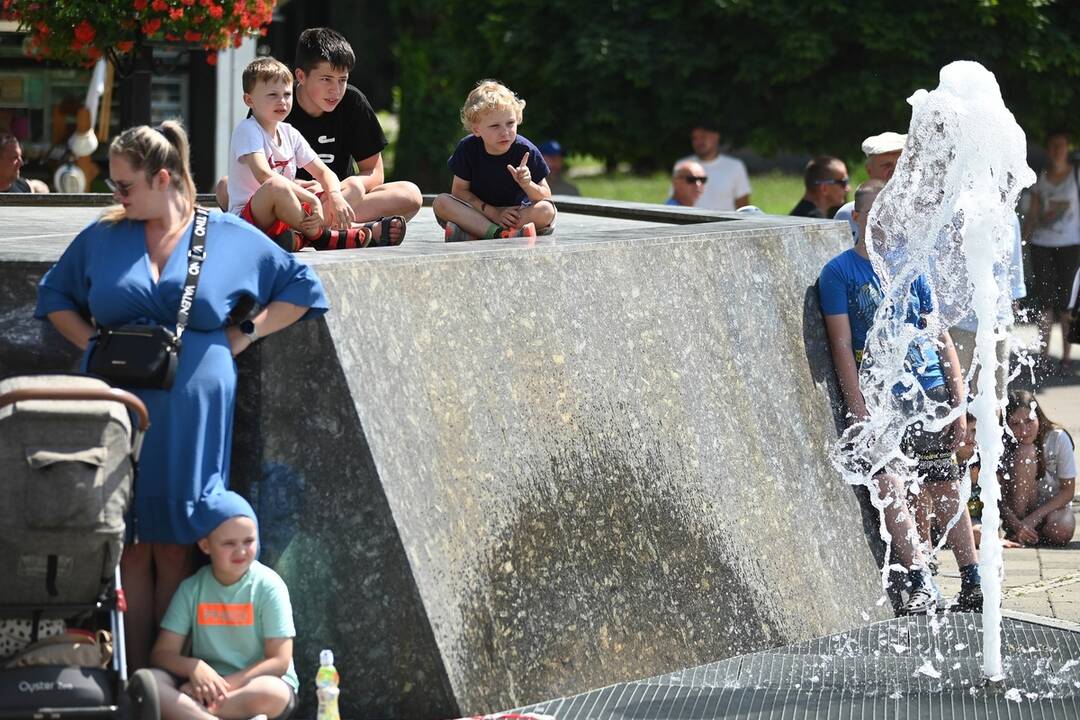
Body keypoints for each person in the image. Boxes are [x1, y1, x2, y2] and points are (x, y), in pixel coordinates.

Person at [35, 121, 328, 670]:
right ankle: (134, 676)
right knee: (127, 544)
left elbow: (302, 287)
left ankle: (166, 673)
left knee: (175, 543)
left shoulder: (227, 234)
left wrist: (244, 333)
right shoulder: (104, 234)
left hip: (193, 408)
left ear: (163, 178)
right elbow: (53, 296)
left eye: (125, 185)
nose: (116, 195)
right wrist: (95, 346)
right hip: (118, 406)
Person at [820, 179, 982, 614]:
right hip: (881, 400)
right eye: (874, 213)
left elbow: (941, 337)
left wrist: (959, 402)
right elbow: (841, 344)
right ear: (857, 218)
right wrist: (858, 409)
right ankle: (920, 580)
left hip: (927, 392)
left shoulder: (912, 267)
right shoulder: (839, 273)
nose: (883, 221)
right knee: (888, 481)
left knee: (944, 481)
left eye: (889, 212)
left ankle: (973, 579)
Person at [217, 28, 418, 242]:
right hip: (289, 196)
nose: (336, 90)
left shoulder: (353, 102)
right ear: (301, 76)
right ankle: (341, 230)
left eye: (342, 79)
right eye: (326, 79)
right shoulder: (272, 105)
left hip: (336, 197)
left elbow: (374, 173)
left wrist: (332, 190)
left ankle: (305, 230)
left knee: (408, 194)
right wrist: (301, 188)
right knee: (225, 186)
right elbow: (262, 177)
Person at [146, 491, 298, 720]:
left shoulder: (269, 586)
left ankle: (193, 714)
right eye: (229, 543)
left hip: (250, 687)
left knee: (271, 692)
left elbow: (279, 661)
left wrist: (221, 686)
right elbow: (161, 654)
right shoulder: (192, 588)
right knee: (151, 682)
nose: (241, 551)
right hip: (203, 686)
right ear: (205, 545)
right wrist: (194, 667)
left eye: (249, 541)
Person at [432, 80, 556, 241]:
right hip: (480, 212)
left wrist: (527, 184)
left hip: (516, 214)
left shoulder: (526, 150)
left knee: (546, 210)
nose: (505, 132)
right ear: (476, 129)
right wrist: (494, 213)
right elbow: (459, 191)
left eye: (510, 123)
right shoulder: (468, 148)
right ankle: (498, 233)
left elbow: (545, 196)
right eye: (495, 126)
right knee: (441, 202)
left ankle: (477, 233)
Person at [1022, 130, 1080, 373]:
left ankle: (1066, 356)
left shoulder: (1076, 175)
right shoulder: (1042, 177)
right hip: (1041, 244)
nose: (1057, 150)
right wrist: (1022, 241)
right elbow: (1033, 214)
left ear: (1067, 148)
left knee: (1067, 304)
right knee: (1045, 302)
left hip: (1070, 245)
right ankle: (1044, 355)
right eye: (1053, 146)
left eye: (1061, 145)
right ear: (1049, 149)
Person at [1000, 389, 1076, 547]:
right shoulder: (1000, 444)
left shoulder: (1058, 437)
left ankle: (1031, 534)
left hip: (1050, 509)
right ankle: (1020, 531)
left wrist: (1034, 518)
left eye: (1029, 421)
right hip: (1016, 513)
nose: (1024, 430)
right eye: (1015, 424)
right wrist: (1016, 524)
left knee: (1062, 529)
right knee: (1025, 451)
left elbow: (1068, 491)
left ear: (1038, 417)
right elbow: (996, 497)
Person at [834, 132, 905, 240]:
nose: (896, 171)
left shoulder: (924, 212)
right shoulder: (846, 215)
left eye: (901, 164)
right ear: (869, 170)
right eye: (887, 165)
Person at [676, 120, 750, 210]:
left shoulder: (735, 166)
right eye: (695, 138)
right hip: (690, 219)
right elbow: (675, 201)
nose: (699, 141)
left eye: (703, 137)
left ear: (716, 136)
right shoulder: (683, 166)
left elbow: (743, 207)